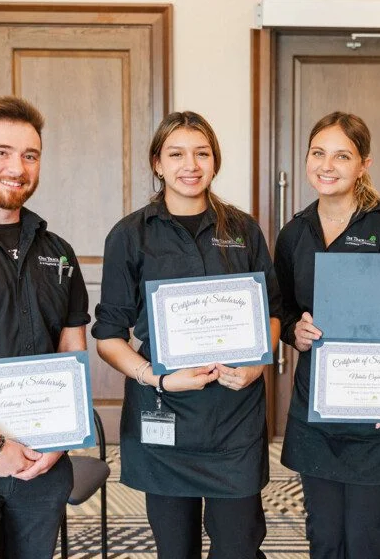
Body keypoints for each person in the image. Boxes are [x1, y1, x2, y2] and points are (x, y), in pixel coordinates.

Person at [92, 110, 281, 559]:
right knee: (174, 549)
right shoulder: (129, 235)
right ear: (157, 162)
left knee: (240, 544)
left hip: (235, 416)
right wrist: (155, 378)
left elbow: (273, 313)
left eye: (202, 153)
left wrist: (258, 363)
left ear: (215, 162)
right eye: (176, 154)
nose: (190, 165)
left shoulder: (243, 229)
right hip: (165, 410)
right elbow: (108, 335)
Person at [0, 96, 90, 558]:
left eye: (30, 155)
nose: (17, 167)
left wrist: (63, 438)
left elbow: (72, 345)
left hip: (43, 460)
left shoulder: (59, 251)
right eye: (1, 152)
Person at [274, 111, 380, 559]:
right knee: (323, 536)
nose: (327, 165)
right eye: (318, 153)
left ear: (364, 164)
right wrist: (294, 331)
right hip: (317, 407)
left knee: (365, 539)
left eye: (342, 155)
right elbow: (281, 308)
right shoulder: (293, 232)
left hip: (378, 410)